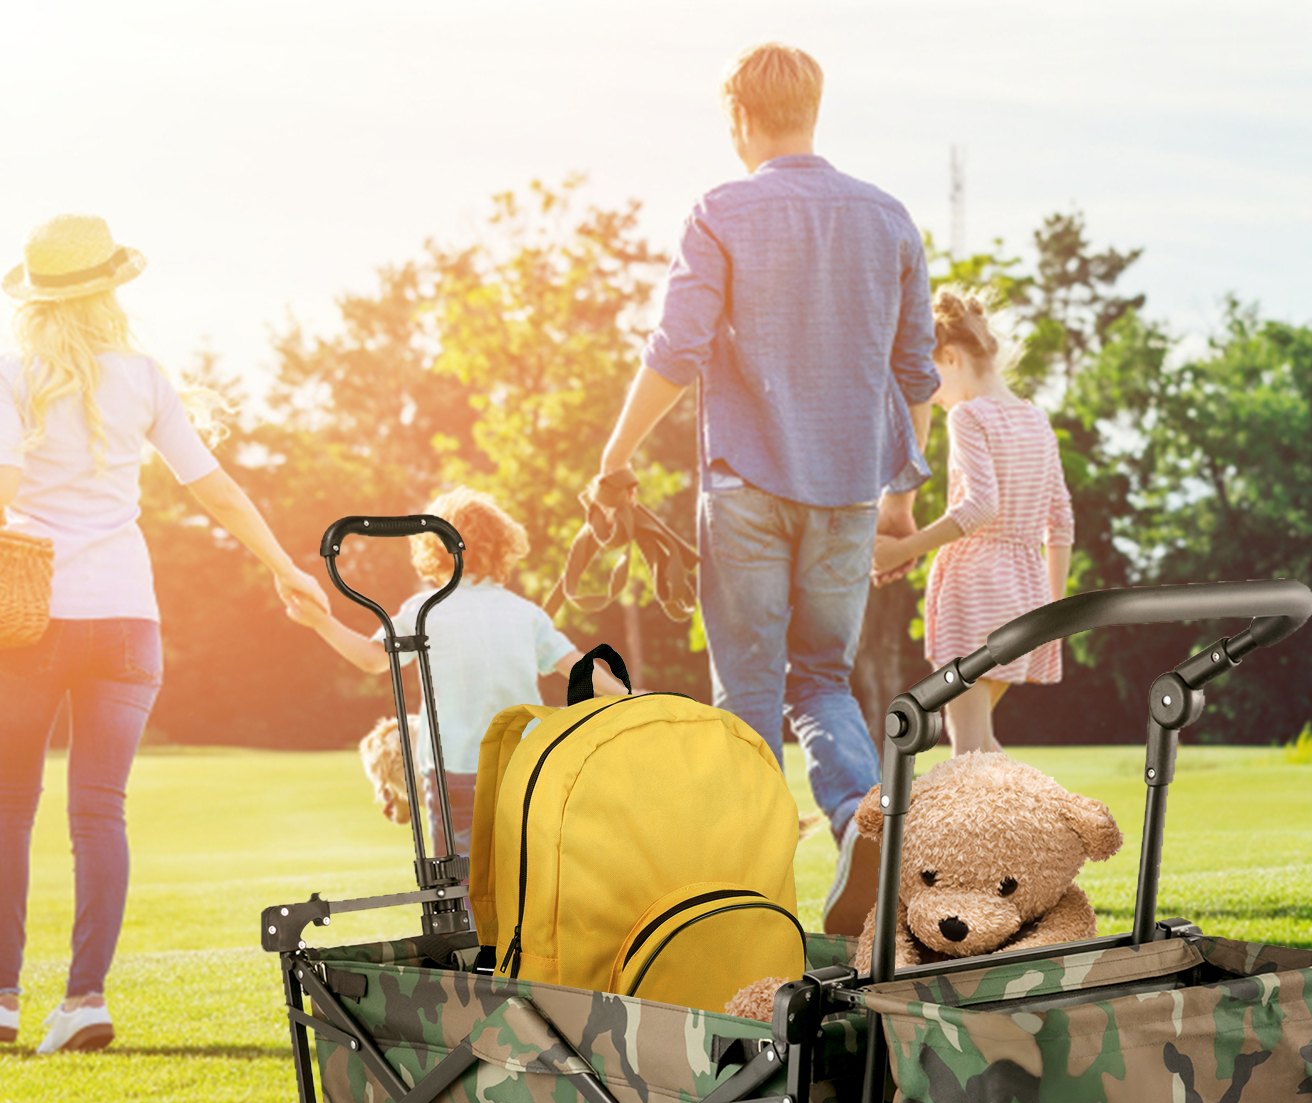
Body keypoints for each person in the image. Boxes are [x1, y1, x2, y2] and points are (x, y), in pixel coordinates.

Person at [593, 41, 940, 936]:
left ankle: (744, 893)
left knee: (745, 690)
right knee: (821, 680)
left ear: (740, 119)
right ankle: (865, 818)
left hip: (744, 487)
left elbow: (676, 351)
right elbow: (917, 374)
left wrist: (615, 456)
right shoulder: (888, 216)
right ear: (812, 110)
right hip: (850, 494)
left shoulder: (722, 210)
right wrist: (902, 496)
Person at [0, 214, 329, 1055]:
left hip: (29, 623)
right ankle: (82, 1002)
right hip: (127, 620)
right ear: (110, 289)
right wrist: (284, 567)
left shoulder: (14, 371)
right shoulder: (142, 377)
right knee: (98, 812)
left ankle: (2, 1003)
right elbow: (213, 489)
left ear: (36, 299)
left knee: (9, 811)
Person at [285, 485, 628, 857]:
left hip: (454, 774)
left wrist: (320, 622)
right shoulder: (525, 613)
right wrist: (630, 697)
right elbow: (578, 665)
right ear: (503, 549)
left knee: (461, 884)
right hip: (524, 770)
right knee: (529, 875)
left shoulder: (425, 609)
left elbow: (372, 659)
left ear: (433, 550)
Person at [872, 289, 1075, 756]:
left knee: (966, 749)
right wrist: (1053, 606)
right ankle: (1037, 823)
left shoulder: (968, 416)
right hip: (1025, 593)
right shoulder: (1036, 420)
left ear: (950, 356)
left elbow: (980, 507)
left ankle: (1028, 825)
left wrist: (903, 549)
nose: (930, 395)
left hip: (975, 588)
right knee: (981, 744)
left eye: (930, 378)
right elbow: (1060, 521)